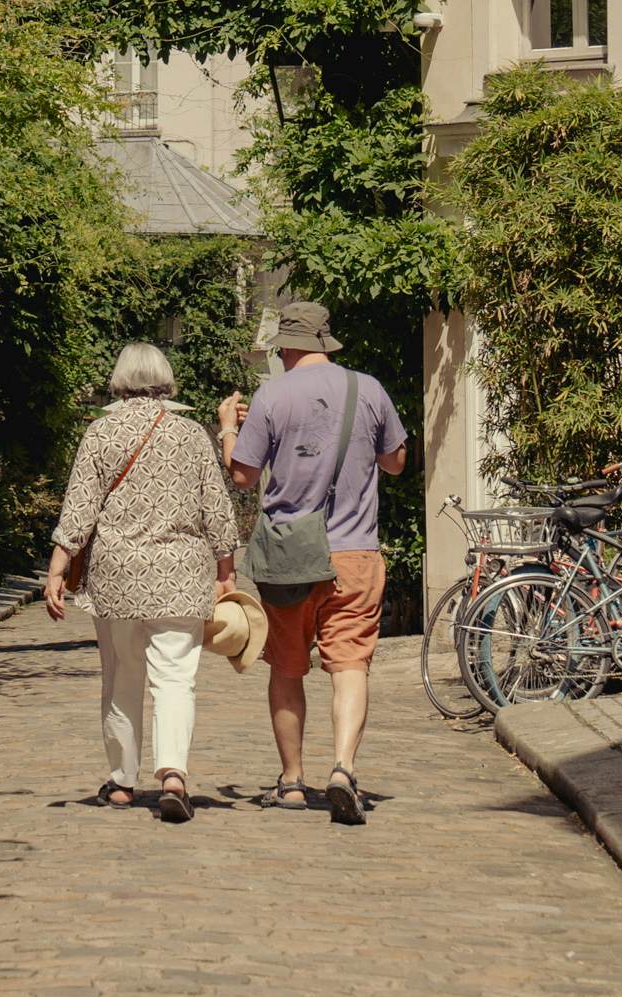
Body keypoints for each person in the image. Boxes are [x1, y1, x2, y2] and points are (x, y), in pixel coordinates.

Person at [219, 301, 408, 826]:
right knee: (349, 666)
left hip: (289, 556)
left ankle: (291, 782)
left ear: (285, 346)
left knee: (287, 666)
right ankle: (343, 769)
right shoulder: (368, 389)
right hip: (355, 552)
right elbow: (395, 463)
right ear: (326, 343)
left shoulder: (271, 394)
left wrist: (228, 431)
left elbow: (243, 477)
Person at [42, 341, 237, 822]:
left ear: (119, 380)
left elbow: (79, 508)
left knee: (121, 677)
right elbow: (217, 508)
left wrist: (57, 567)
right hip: (181, 574)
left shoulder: (101, 433)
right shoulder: (192, 434)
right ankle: (173, 774)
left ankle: (123, 781)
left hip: (118, 576)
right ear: (165, 379)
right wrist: (226, 574)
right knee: (176, 679)